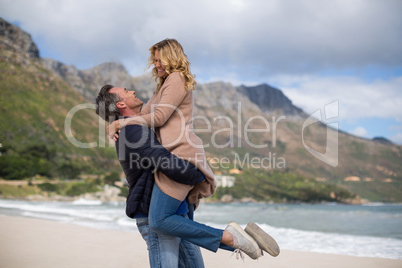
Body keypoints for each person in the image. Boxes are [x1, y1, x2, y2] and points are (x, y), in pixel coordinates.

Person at [107, 39, 280, 262]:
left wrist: (120, 123)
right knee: (184, 227)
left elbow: (157, 118)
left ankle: (231, 237)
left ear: (170, 57)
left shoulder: (176, 79)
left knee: (159, 220)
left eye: (159, 60)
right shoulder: (163, 86)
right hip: (175, 156)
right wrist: (119, 121)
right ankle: (248, 241)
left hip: (180, 154)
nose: (155, 65)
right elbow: (144, 117)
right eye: (154, 61)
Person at [96, 84, 205, 267]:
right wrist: (199, 177)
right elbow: (164, 161)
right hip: (154, 214)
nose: (131, 91)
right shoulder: (133, 132)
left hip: (175, 213)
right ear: (121, 104)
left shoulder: (137, 127)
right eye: (126, 91)